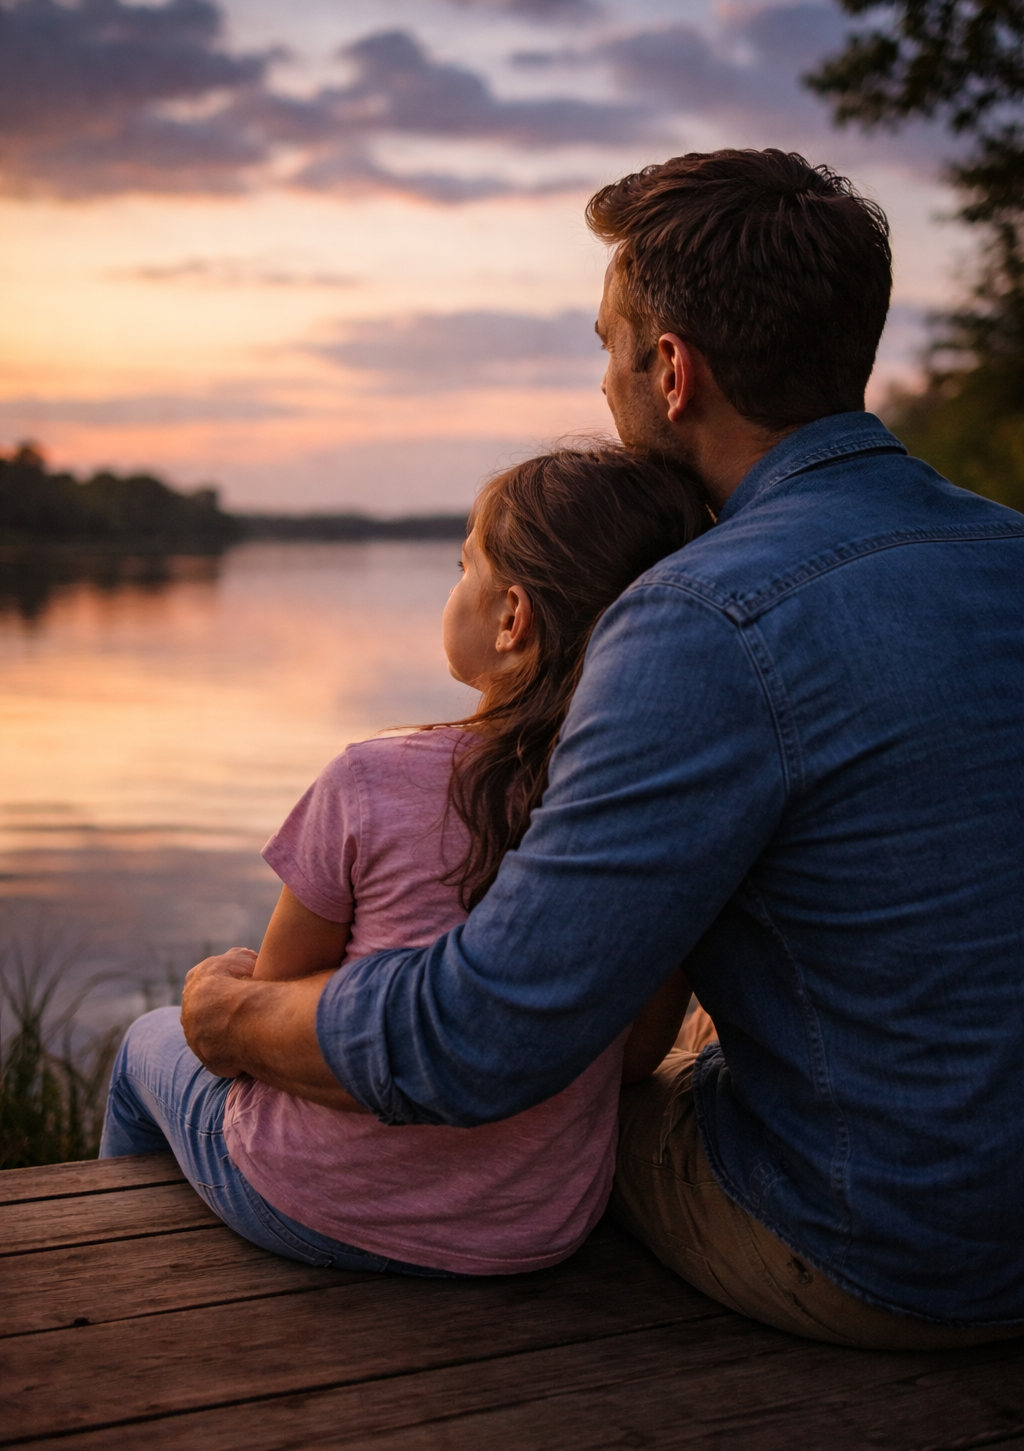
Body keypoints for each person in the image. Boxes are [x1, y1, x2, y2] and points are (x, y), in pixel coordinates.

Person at [180, 147, 1024, 1347]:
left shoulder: (703, 617)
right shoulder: (1004, 547)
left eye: (607, 348)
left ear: (671, 371)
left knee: (558, 1132)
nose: (606, 390)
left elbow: (480, 1042)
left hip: (890, 1248)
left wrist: (233, 1021)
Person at [101, 447, 710, 1274]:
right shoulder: (649, 813)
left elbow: (265, 1033)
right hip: (533, 1229)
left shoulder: (370, 780)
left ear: (511, 618)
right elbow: (635, 1059)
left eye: (465, 566)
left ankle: (106, 1271)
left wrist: (236, 988)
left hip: (315, 1204)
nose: (453, 587)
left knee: (146, 1041)